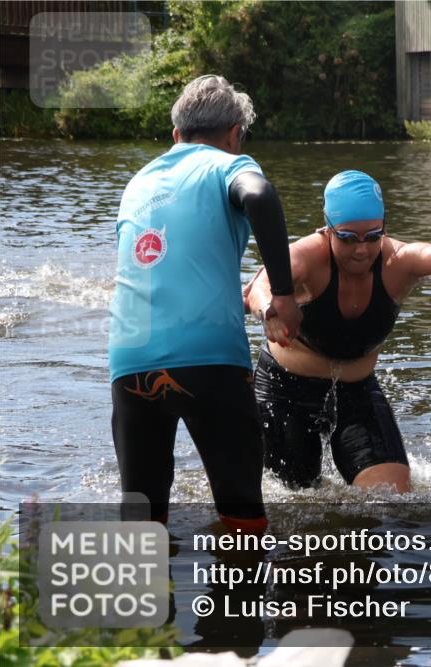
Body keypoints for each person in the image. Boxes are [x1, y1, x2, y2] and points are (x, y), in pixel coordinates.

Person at [244, 169, 431, 493]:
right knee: (294, 498)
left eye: (373, 236)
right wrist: (270, 311)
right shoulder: (307, 257)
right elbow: (261, 285)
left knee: (391, 497)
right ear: (328, 228)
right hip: (286, 391)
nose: (361, 250)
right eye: (348, 238)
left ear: (384, 228)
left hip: (355, 390)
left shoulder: (400, 262)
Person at [109, 75, 303, 534]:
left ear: (176, 135)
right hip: (209, 359)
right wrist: (284, 294)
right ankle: (236, 596)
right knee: (242, 517)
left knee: (141, 518)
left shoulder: (137, 182)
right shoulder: (226, 165)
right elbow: (260, 195)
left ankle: (140, 602)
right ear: (235, 134)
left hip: (130, 360)